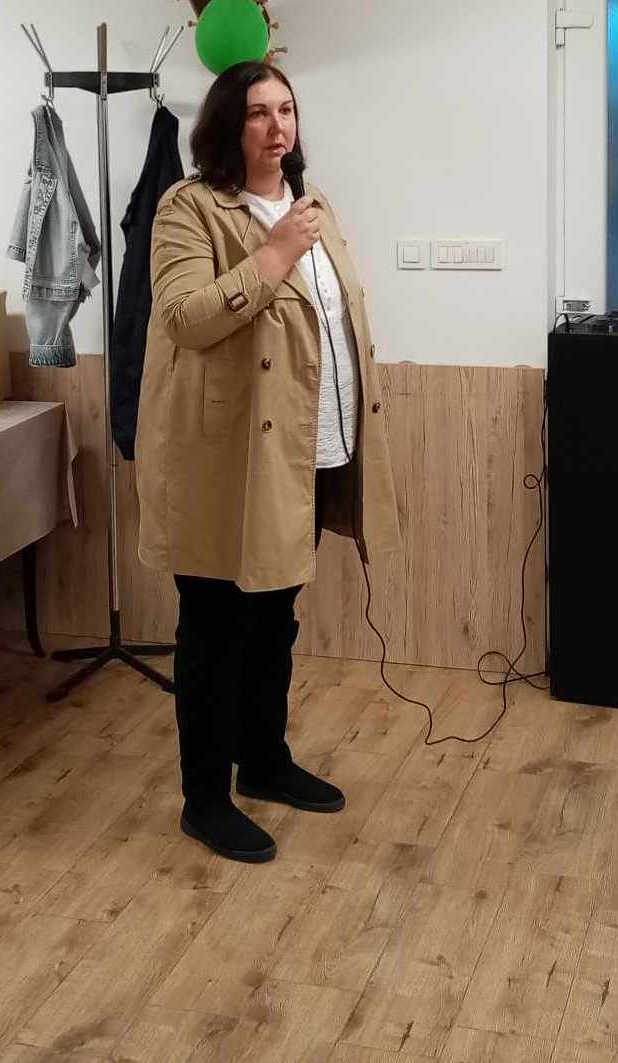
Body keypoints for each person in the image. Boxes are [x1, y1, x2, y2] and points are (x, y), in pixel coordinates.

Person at [135, 61, 402, 864]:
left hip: (304, 453)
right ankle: (205, 797)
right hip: (224, 465)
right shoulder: (190, 207)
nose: (276, 125)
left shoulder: (313, 207)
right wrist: (275, 253)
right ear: (228, 124)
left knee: (274, 620)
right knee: (214, 632)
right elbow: (184, 318)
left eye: (286, 109)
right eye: (257, 112)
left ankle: (264, 760)